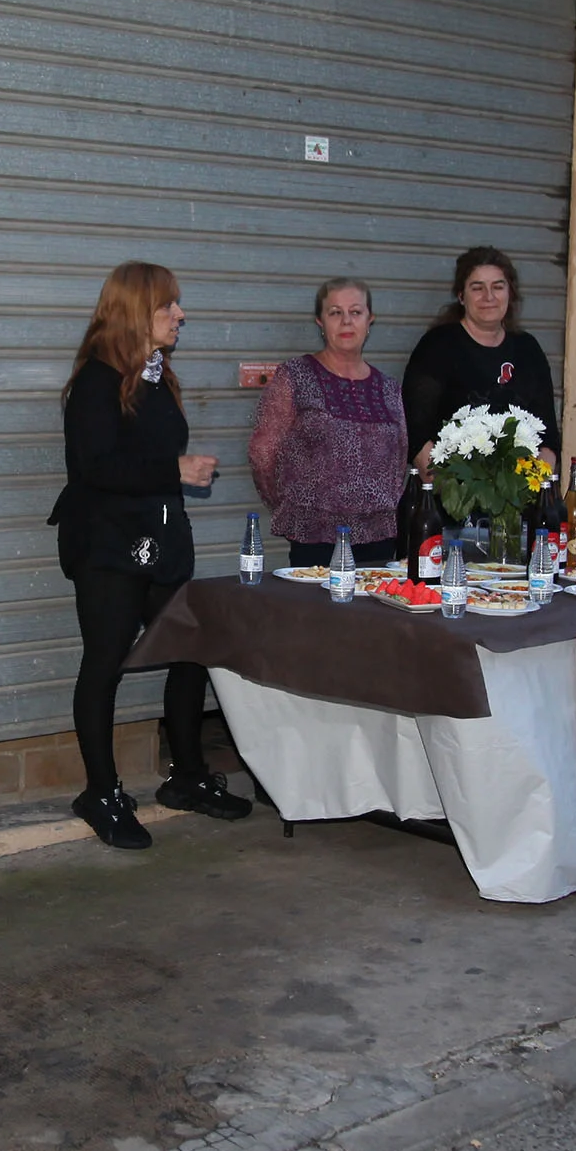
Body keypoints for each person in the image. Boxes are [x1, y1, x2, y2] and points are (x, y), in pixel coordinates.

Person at [48, 261, 253, 849]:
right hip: (109, 544)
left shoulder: (157, 375)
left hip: (161, 537)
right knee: (105, 660)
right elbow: (96, 467)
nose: (179, 315)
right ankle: (102, 792)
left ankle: (186, 776)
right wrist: (173, 470)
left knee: (190, 650)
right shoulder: (95, 380)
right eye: (168, 307)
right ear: (136, 311)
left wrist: (175, 478)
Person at [249, 278, 407, 567]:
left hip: (379, 537)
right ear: (320, 321)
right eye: (335, 312)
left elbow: (399, 461)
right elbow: (262, 454)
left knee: (372, 613)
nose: (346, 321)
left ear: (370, 320)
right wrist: (289, 505)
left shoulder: (389, 387)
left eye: (356, 312)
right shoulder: (294, 376)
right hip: (315, 537)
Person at [401, 246, 561, 479]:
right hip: (450, 497)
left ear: (510, 293)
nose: (489, 296)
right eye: (477, 288)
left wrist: (528, 487)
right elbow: (415, 434)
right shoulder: (438, 347)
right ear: (461, 296)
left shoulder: (528, 350)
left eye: (498, 286)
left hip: (518, 498)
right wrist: (456, 493)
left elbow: (547, 436)